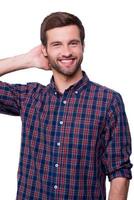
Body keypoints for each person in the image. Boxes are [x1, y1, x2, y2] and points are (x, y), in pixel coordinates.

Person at [0, 11, 132, 200]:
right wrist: (26, 60)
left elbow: (119, 171)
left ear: (83, 46)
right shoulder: (28, 97)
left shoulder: (108, 101)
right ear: (44, 50)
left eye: (73, 43)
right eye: (56, 45)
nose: (67, 52)